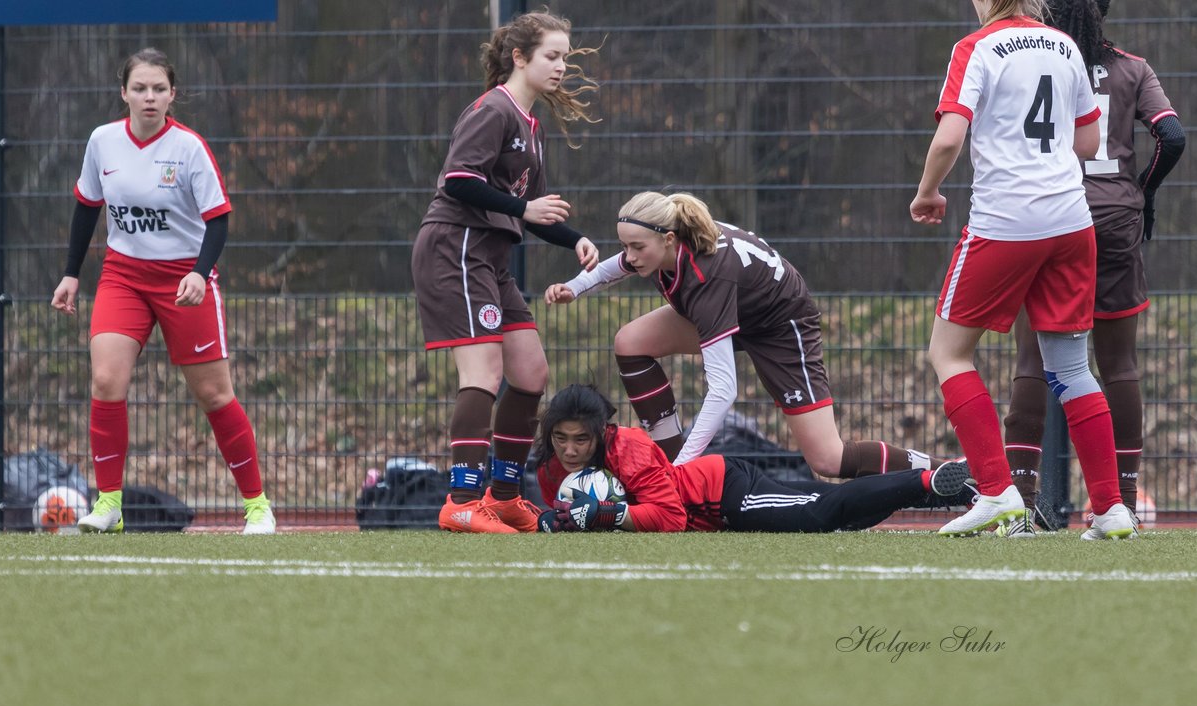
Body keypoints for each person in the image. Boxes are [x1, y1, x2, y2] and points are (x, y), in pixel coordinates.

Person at [910, 0, 1135, 539]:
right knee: (1072, 367)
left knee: (949, 351)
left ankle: (995, 490)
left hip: (1005, 222)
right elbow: (1086, 141)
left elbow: (948, 137)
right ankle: (1109, 508)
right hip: (1071, 222)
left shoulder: (975, 47)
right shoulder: (1065, 46)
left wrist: (928, 192)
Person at [545, 191, 936, 481]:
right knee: (630, 342)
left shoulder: (707, 274)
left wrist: (685, 470)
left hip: (782, 327)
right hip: (740, 313)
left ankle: (936, 472)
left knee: (828, 460)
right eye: (624, 245)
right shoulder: (670, 245)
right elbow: (615, 266)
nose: (628, 257)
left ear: (668, 239)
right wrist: (574, 287)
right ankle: (670, 465)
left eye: (636, 247)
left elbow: (723, 391)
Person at [51, 48, 274, 535]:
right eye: (139, 88)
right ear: (123, 92)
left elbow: (217, 220)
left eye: (158, 89)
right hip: (123, 275)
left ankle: (257, 506)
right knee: (106, 381)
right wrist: (71, 273)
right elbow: (87, 207)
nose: (148, 97)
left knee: (215, 395)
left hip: (182, 280)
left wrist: (199, 272)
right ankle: (109, 504)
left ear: (172, 95)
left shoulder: (189, 147)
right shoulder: (103, 141)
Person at [412, 10, 601, 534]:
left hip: (489, 256)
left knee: (530, 373)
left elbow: (533, 205)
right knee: (484, 375)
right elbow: (458, 181)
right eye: (552, 56)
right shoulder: (493, 110)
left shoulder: (530, 125)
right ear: (519, 57)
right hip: (457, 248)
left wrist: (575, 237)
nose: (562, 66)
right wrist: (522, 212)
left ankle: (505, 495)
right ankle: (462, 502)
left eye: (566, 56)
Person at [1002, 0, 1185, 534]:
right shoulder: (1133, 67)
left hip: (1048, 212)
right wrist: (1141, 193)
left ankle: (1022, 496)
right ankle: (1119, 500)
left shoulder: (1031, 61)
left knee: (1033, 357)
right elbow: (1171, 136)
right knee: (1118, 363)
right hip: (1113, 219)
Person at [533, 385, 975, 533]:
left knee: (822, 513)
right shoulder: (551, 466)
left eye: (580, 440)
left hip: (725, 494)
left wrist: (606, 514)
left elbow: (668, 517)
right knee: (838, 513)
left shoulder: (627, 446)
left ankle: (927, 484)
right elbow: (572, 513)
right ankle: (957, 491)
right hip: (721, 498)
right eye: (560, 439)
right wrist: (556, 519)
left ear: (599, 434)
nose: (570, 450)